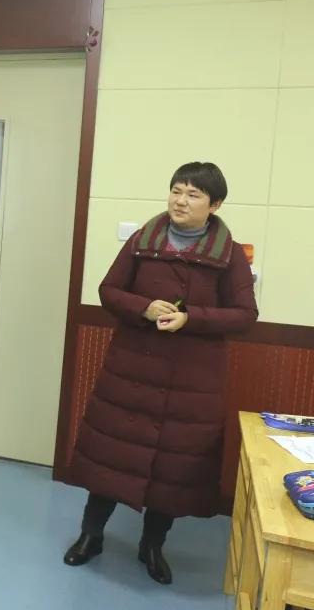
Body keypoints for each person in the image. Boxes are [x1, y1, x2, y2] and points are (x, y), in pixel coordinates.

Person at [64, 162, 257, 584]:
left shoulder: (228, 255)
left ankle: (152, 546)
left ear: (215, 205)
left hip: (190, 384)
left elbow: (245, 315)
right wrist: (144, 308)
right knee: (110, 459)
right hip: (130, 373)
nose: (180, 201)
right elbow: (109, 290)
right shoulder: (142, 240)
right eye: (176, 190)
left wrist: (192, 318)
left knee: (172, 471)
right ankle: (90, 536)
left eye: (193, 194)